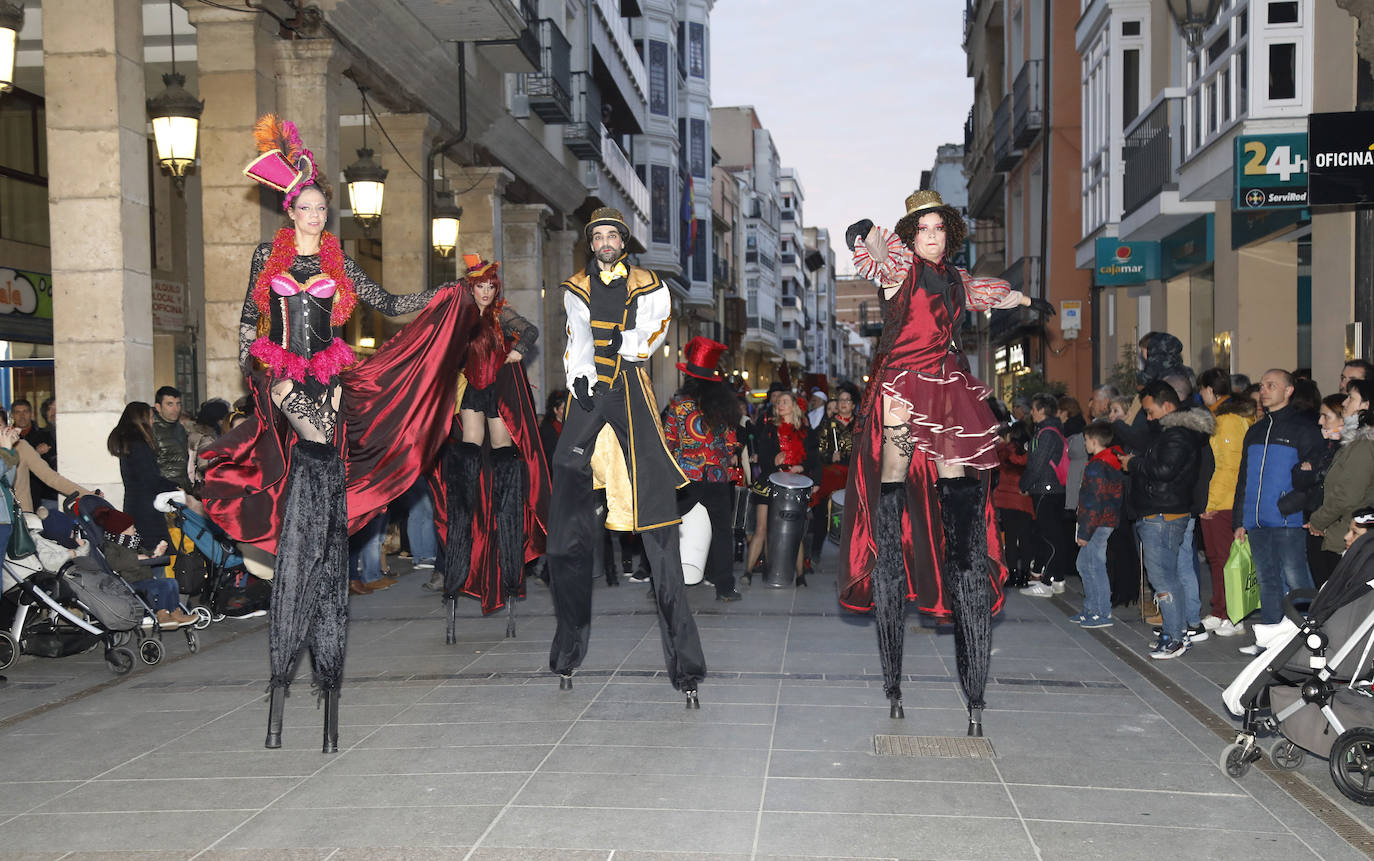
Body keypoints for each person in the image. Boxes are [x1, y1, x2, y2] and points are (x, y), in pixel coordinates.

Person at [203, 114, 473, 753]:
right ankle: (312, 524)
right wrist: (256, 366)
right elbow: (248, 318)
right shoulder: (262, 258)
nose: (318, 215)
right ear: (290, 208)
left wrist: (448, 293)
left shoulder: (340, 262)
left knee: (324, 449)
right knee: (311, 434)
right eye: (309, 206)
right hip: (279, 374)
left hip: (327, 374)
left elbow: (392, 305)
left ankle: (320, 536)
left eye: (325, 208)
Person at [842, 189, 1052, 734]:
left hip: (949, 386)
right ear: (911, 235)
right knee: (893, 485)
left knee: (958, 495)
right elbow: (872, 251)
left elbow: (993, 297)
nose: (932, 235)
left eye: (939, 228)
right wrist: (865, 230)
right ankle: (890, 543)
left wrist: (1030, 302)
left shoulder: (958, 280)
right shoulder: (901, 269)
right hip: (903, 389)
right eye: (923, 229)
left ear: (948, 234)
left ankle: (962, 560)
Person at [545, 206, 706, 704]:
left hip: (631, 389)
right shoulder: (575, 287)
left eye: (613, 235)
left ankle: (686, 666)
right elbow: (576, 339)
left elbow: (655, 332)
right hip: (590, 392)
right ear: (591, 244)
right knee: (565, 494)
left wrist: (624, 341)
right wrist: (578, 376)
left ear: (623, 241)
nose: (606, 242)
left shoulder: (649, 283)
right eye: (599, 237)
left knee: (657, 518)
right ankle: (567, 649)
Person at [441, 256, 549, 640]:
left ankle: (505, 523)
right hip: (471, 391)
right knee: (468, 457)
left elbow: (532, 331)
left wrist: (517, 352)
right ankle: (465, 521)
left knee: (504, 462)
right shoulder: (460, 318)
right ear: (470, 288)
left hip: (499, 394)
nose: (485, 291)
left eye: (490, 286)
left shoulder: (504, 316)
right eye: (479, 286)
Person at [1232, 369, 1326, 655]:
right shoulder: (1256, 430)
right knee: (1267, 580)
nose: (1264, 390)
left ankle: (1311, 638)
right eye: (1262, 385)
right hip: (1257, 520)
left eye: (1271, 385)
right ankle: (1270, 640)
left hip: (1287, 520)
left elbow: (1318, 475)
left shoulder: (1303, 429)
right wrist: (1240, 520)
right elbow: (1244, 477)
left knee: (1296, 578)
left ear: (1288, 391)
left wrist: (1290, 504)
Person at [1124, 381, 1215, 659]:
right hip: (1164, 511)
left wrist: (1133, 464)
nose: (1149, 418)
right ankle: (1175, 631)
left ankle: (1175, 637)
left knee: (1163, 578)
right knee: (1170, 575)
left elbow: (1164, 470)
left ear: (1166, 406)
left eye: (1150, 412)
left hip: (1162, 514)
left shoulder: (1177, 434)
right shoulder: (1175, 431)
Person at [661, 336, 743, 601]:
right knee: (722, 532)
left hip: (686, 475)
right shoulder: (725, 404)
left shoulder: (679, 404)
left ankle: (662, 584)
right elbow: (732, 443)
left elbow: (669, 438)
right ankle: (725, 588)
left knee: (668, 528)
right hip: (717, 476)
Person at [1196, 368, 1255, 637]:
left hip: (1224, 500)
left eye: (1202, 389)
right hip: (1224, 498)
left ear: (1210, 389)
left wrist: (1211, 502)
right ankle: (1222, 610)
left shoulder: (1227, 420)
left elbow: (1228, 466)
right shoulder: (1227, 417)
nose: (1201, 395)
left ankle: (1231, 613)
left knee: (1225, 559)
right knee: (1219, 558)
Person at [743, 390, 817, 585]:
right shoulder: (769, 429)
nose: (780, 405)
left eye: (785, 402)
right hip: (769, 482)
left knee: (796, 532)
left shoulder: (806, 432)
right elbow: (763, 457)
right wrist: (773, 460)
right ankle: (748, 573)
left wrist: (803, 467)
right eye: (778, 403)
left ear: (794, 406)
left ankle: (800, 576)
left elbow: (815, 459)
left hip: (794, 485)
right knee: (761, 528)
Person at [91, 505, 197, 629]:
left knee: (172, 582)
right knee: (166, 585)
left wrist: (156, 553)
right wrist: (136, 558)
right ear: (122, 530)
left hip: (145, 578)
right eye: (132, 528)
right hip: (131, 582)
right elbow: (114, 563)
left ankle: (175, 612)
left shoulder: (132, 543)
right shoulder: (111, 547)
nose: (135, 530)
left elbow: (145, 555)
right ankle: (161, 614)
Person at [1307, 405, 1374, 587]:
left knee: (1339, 596)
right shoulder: (1354, 444)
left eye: (1351, 397)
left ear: (1366, 405)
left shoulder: (1364, 445)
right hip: (1341, 525)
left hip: (1349, 527)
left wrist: (1318, 520)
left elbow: (1347, 495)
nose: (1345, 403)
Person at [107, 402, 180, 550]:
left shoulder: (130, 444)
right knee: (155, 555)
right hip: (147, 512)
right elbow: (151, 480)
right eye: (151, 417)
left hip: (137, 507)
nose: (153, 421)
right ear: (141, 420)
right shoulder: (139, 445)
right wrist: (177, 488)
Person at [1019, 393, 1071, 597]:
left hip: (1046, 489)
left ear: (1041, 410)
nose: (1031, 412)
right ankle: (1057, 579)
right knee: (1053, 535)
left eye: (1033, 408)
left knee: (1050, 537)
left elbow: (1037, 465)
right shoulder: (1049, 430)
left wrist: (1024, 484)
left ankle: (1047, 582)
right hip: (1051, 489)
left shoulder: (1047, 433)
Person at [1072, 422, 1123, 628]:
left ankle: (1102, 612)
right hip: (1104, 521)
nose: (1085, 444)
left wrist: (1085, 531)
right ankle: (1091, 608)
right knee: (1084, 564)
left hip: (1096, 523)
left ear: (1094, 440)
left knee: (1094, 566)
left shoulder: (1097, 466)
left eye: (1086, 440)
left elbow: (1094, 501)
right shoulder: (1111, 461)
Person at [814, 381, 859, 560]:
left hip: (853, 473)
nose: (843, 403)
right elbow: (819, 450)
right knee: (823, 511)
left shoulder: (859, 425)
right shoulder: (828, 425)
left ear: (853, 405)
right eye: (841, 400)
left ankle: (855, 552)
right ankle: (816, 550)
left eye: (847, 400)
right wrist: (828, 457)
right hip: (832, 473)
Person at [11, 398, 55, 506]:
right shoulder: (8, 437)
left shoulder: (45, 435)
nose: (22, 416)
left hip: (43, 495)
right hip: (15, 494)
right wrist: (35, 453)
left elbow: (50, 465)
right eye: (18, 412)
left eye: (25, 411)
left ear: (31, 414)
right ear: (12, 415)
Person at [152, 387, 190, 489]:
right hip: (164, 490)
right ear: (158, 407)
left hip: (184, 488)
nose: (175, 409)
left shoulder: (180, 429)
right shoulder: (151, 430)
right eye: (170, 404)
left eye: (178, 404)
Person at [539, 389, 568, 469]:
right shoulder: (548, 429)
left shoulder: (569, 425)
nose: (566, 412)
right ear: (555, 410)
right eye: (563, 409)